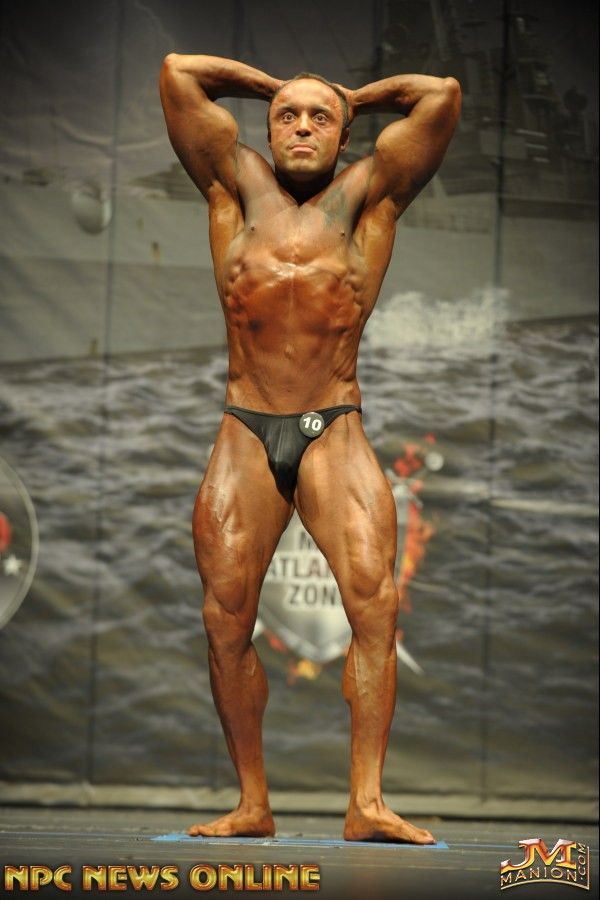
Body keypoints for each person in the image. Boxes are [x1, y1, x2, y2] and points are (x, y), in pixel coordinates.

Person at [159, 52, 461, 843]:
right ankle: (252, 803)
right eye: (285, 116)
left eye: (318, 118)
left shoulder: (372, 194)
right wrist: (278, 84)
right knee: (225, 621)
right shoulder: (232, 187)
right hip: (246, 429)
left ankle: (367, 803)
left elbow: (440, 96)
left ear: (343, 132)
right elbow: (178, 73)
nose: (301, 126)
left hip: (335, 427)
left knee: (375, 607)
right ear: (266, 130)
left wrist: (347, 94)